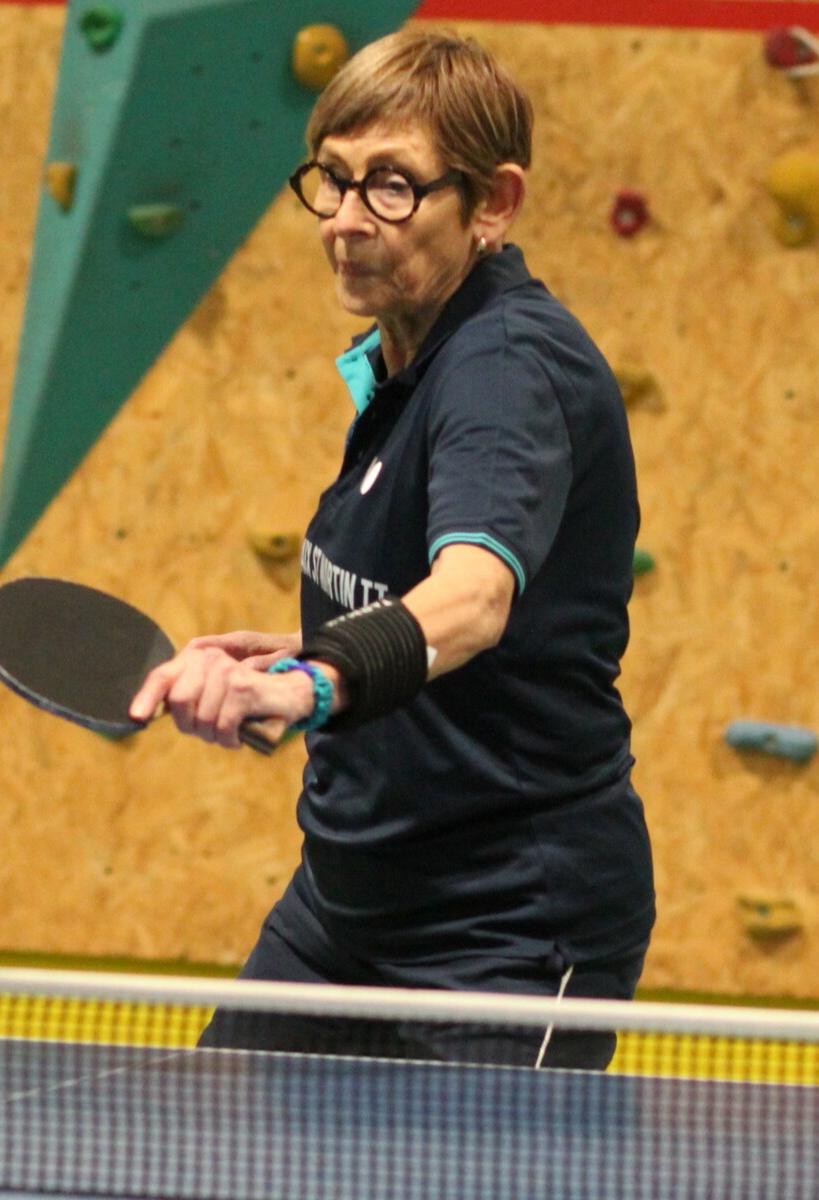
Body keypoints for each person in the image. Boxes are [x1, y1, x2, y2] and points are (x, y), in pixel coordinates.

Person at [129, 29, 654, 1070]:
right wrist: (301, 648)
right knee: (201, 1144)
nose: (345, 219)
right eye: (332, 179)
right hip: (343, 908)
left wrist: (310, 686)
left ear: (493, 203)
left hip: (501, 930)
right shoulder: (410, 353)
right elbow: (436, 605)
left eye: (392, 187)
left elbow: (474, 601)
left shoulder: (505, 368)